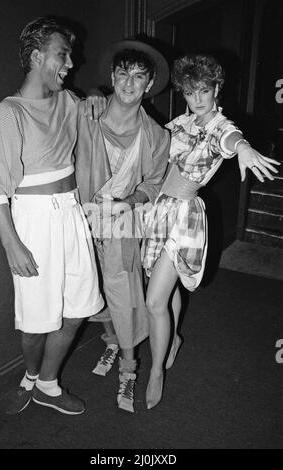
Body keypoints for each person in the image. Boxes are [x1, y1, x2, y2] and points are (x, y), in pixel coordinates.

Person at [142, 53, 280, 410]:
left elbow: (231, 138)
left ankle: (156, 371)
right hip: (158, 210)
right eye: (190, 92)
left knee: (153, 301)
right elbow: (153, 143)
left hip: (185, 218)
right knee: (164, 286)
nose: (197, 98)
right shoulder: (180, 122)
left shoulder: (220, 124)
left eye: (203, 90)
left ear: (216, 89)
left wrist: (245, 148)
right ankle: (171, 340)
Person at [0, 16, 106, 415]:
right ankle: (31, 376)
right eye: (62, 54)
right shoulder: (7, 114)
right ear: (37, 57)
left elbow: (91, 106)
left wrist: (94, 95)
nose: (70, 62)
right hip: (33, 221)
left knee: (77, 310)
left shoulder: (68, 101)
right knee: (37, 322)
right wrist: (11, 244)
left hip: (71, 213)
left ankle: (48, 385)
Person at [75, 40, 170, 412]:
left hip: (123, 224)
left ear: (149, 86)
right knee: (93, 288)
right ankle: (112, 341)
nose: (129, 83)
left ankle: (129, 371)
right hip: (82, 219)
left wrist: (128, 203)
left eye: (139, 76)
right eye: (123, 73)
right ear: (113, 77)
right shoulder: (86, 113)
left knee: (125, 295)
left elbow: (155, 182)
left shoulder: (157, 135)